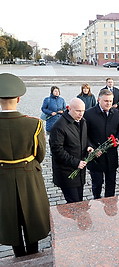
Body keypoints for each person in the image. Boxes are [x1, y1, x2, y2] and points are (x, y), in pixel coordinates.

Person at [0, 73, 50, 257]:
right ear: (19, 98)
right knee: (32, 216)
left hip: (3, 178)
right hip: (29, 176)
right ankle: (34, 254)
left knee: (10, 218)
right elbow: (40, 154)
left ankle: (18, 255)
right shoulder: (34, 124)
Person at [84, 89, 119, 199]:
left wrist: (118, 139)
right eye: (106, 101)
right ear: (99, 100)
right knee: (97, 184)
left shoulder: (116, 112)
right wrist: (92, 147)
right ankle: (97, 201)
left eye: (111, 101)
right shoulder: (88, 114)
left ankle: (110, 203)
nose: (109, 104)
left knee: (111, 184)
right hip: (96, 157)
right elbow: (84, 135)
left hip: (111, 156)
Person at [50, 98, 92, 203]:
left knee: (79, 201)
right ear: (69, 108)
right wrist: (76, 162)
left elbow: (84, 138)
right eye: (78, 111)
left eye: (83, 111)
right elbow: (57, 150)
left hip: (80, 171)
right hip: (67, 173)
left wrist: (88, 146)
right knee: (74, 203)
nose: (81, 113)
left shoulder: (83, 121)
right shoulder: (59, 126)